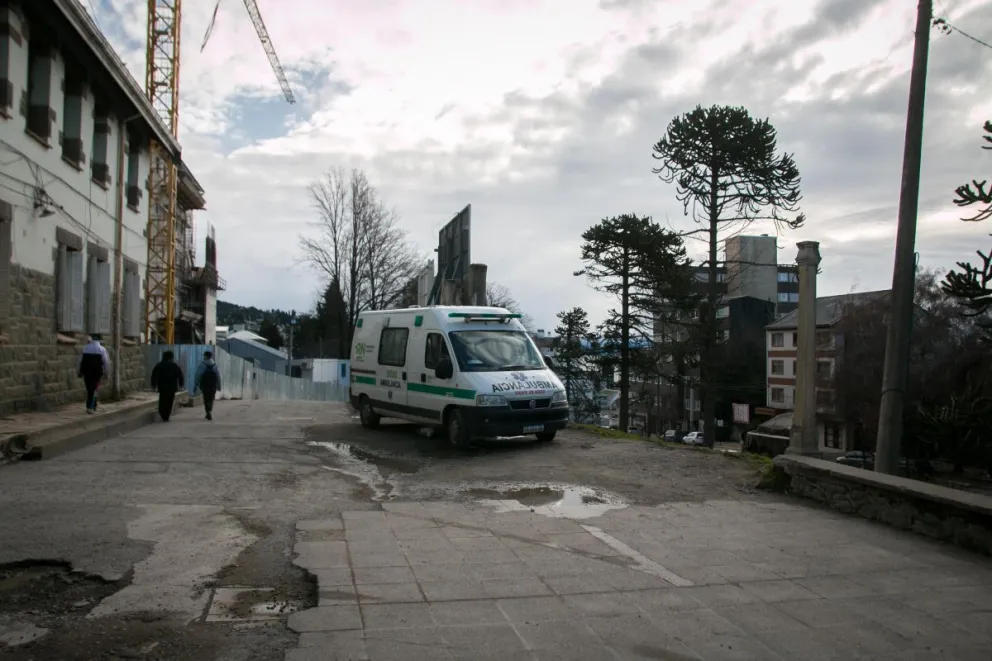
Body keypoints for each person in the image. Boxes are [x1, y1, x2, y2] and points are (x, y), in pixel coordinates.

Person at [77, 334, 110, 414]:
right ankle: (91, 406)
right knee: (94, 388)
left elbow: (79, 361)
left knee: (89, 389)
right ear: (99, 340)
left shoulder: (85, 348)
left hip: (86, 371)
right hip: (97, 372)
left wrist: (78, 371)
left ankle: (91, 405)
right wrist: (107, 373)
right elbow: (106, 362)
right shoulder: (102, 349)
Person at [150, 350, 185, 422]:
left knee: (162, 401)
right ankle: (166, 416)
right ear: (171, 358)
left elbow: (154, 376)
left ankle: (163, 414)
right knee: (169, 401)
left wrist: (153, 385)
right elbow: (180, 375)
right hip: (172, 388)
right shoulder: (174, 366)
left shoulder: (159, 365)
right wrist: (181, 384)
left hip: (162, 387)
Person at [194, 350, 222, 420]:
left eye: (204, 356)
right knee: (211, 398)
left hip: (205, 385)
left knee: (206, 398)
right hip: (213, 385)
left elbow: (198, 375)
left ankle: (208, 412)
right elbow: (218, 376)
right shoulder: (214, 365)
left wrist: (195, 385)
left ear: (206, 356)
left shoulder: (202, 364)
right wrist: (219, 386)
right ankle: (209, 410)